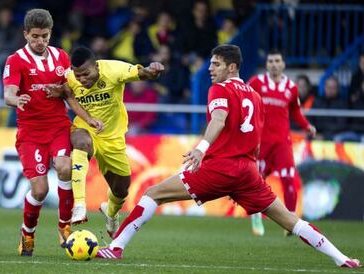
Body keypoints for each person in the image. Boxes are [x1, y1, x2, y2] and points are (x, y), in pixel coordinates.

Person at [94, 45, 361, 269]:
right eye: (211, 64)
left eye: (216, 64)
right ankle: (342, 259)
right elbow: (254, 134)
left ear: (231, 67)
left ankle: (116, 247)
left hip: (220, 167)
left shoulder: (220, 89)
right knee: (291, 219)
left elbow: (219, 119)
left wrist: (201, 148)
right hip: (248, 171)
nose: (210, 69)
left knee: (153, 193)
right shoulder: (256, 96)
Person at [3, 9, 101, 257]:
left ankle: (64, 226)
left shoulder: (61, 56)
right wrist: (17, 99)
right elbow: (8, 93)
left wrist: (85, 115)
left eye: (45, 36)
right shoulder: (15, 60)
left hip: (57, 126)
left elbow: (69, 93)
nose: (40, 41)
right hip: (30, 133)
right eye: (35, 36)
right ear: (25, 34)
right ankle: (27, 232)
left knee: (65, 167)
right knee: (40, 190)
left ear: (50, 34)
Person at [45, 46, 164, 236]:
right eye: (78, 76)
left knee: (121, 190)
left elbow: (141, 73)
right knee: (80, 143)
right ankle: (80, 205)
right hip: (85, 130)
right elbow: (65, 92)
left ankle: (110, 212)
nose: (82, 80)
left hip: (113, 138)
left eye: (86, 74)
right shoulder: (71, 77)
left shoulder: (113, 70)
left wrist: (152, 71)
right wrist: (56, 91)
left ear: (96, 67)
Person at [247, 50, 316, 236]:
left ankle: (291, 221)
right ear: (267, 64)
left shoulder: (291, 87)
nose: (274, 64)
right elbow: (243, 100)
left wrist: (307, 126)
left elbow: (296, 112)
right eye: (270, 61)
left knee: (289, 178)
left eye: (277, 61)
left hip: (282, 143)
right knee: (256, 181)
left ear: (283, 64)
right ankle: (255, 215)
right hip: (261, 142)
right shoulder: (256, 82)